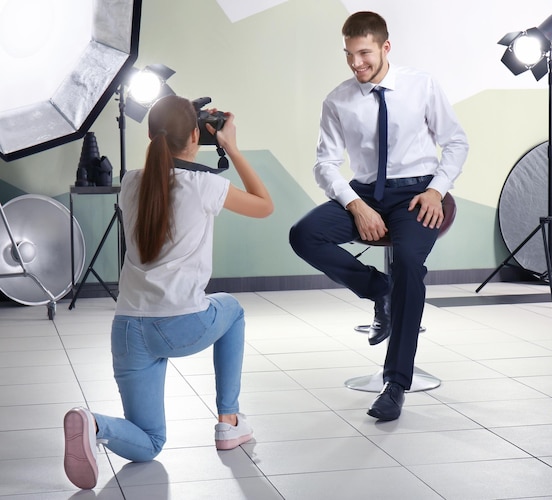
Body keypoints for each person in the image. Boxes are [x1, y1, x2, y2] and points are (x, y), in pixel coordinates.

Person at [63, 95, 273, 490]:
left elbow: (163, 166)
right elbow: (265, 205)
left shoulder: (130, 182)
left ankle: (93, 424)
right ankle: (228, 422)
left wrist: (179, 121)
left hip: (128, 329)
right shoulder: (206, 185)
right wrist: (230, 146)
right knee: (233, 310)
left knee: (150, 440)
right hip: (181, 325)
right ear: (196, 134)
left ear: (148, 135)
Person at [289, 11, 468, 421]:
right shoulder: (338, 100)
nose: (356, 64)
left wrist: (437, 190)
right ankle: (378, 289)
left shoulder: (421, 86)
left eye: (364, 53)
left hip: (419, 194)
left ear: (386, 47)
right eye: (350, 55)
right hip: (366, 194)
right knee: (304, 234)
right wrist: (355, 204)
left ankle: (396, 384)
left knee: (408, 263)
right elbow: (326, 165)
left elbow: (456, 143)